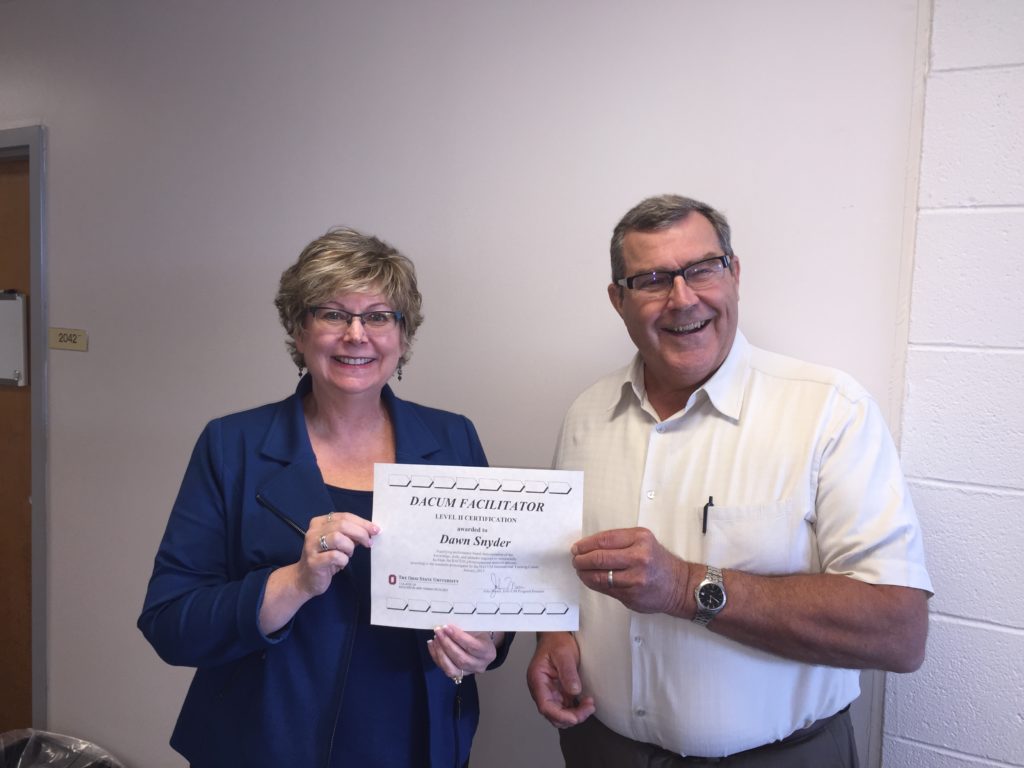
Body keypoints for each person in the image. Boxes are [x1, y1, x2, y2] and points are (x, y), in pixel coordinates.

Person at [526, 195, 932, 767]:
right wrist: (553, 636)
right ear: (618, 300)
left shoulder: (831, 412)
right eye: (651, 280)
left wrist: (684, 585)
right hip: (601, 749)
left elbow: (899, 631)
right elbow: (558, 569)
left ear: (734, 273)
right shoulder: (586, 415)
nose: (682, 298)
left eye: (702, 269)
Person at [139, 227, 510, 768]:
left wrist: (486, 642)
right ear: (299, 330)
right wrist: (294, 582)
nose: (356, 335)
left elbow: (493, 589)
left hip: (415, 742)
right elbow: (171, 623)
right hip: (264, 743)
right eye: (333, 314)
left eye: (379, 317)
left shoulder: (453, 439)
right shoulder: (231, 444)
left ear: (403, 336)